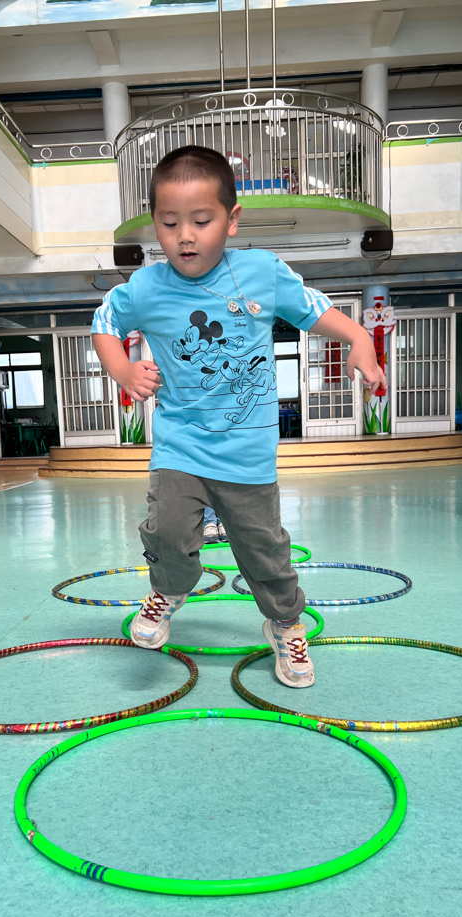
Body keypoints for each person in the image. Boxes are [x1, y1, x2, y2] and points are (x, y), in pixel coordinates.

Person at [92, 146, 384, 687]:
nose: (185, 236)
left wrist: (360, 338)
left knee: (264, 552)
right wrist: (123, 370)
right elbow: (105, 322)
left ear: (232, 220)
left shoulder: (260, 273)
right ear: (154, 222)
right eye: (169, 223)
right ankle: (169, 589)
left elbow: (315, 310)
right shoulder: (147, 287)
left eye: (201, 221)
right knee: (167, 532)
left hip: (247, 454)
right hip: (180, 445)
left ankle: (286, 624)